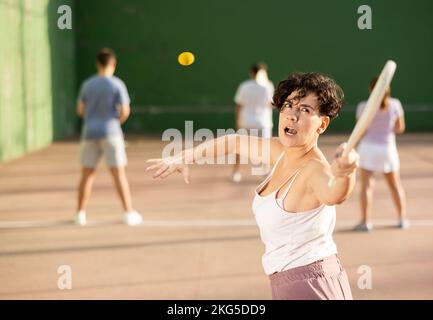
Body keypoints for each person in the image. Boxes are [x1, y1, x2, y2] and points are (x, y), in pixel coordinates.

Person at [146, 72, 358, 300]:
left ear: (322, 124)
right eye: (288, 105)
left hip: (312, 286)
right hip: (289, 282)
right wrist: (184, 158)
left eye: (305, 110)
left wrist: (347, 172)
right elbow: (233, 142)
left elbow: (334, 194)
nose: (292, 116)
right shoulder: (280, 152)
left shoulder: (314, 169)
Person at [75, 48, 143, 226]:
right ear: (113, 64)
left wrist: (92, 119)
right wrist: (115, 121)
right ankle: (128, 213)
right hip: (111, 133)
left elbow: (80, 110)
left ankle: (80, 215)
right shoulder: (117, 84)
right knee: (118, 174)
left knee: (87, 174)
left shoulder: (87, 84)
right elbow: (125, 111)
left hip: (89, 132)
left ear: (98, 64)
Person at [354, 77, 408, 232]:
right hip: (387, 150)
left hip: (368, 149)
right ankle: (402, 219)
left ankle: (365, 222)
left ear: (372, 89)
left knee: (366, 187)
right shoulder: (395, 104)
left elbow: (360, 131)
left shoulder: (363, 106)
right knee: (395, 186)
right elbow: (400, 128)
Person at [232, 63, 274, 182]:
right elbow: (272, 105)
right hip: (263, 123)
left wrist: (238, 121)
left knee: (239, 148)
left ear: (251, 73)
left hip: (246, 122)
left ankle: (236, 173)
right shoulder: (268, 86)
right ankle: (266, 173)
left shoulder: (244, 86)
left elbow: (239, 105)